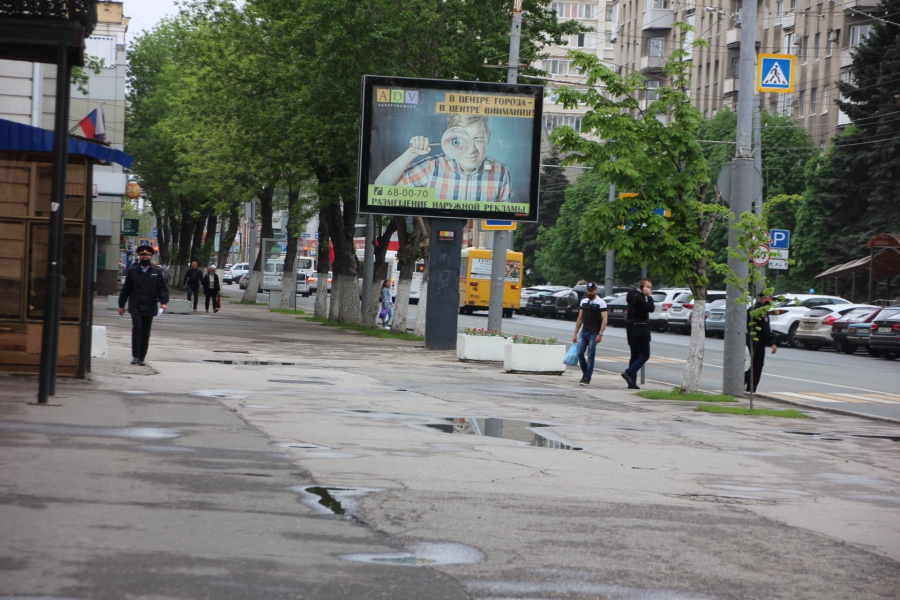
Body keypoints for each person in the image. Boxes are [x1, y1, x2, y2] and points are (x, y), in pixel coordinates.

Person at [375, 114, 512, 202]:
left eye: (478, 139)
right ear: (452, 139)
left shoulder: (500, 171)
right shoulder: (432, 168)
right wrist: (411, 153)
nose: (471, 149)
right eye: (461, 140)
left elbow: (505, 216)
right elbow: (379, 190)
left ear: (488, 137)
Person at [118, 244, 169, 366]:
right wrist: (121, 305)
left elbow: (162, 289)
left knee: (145, 332)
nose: (145, 258)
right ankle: (135, 356)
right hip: (135, 305)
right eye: (143, 256)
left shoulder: (156, 273)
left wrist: (163, 302)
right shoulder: (133, 271)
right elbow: (126, 289)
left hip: (150, 306)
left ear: (151, 257)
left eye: (147, 256)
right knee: (137, 329)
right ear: (139, 257)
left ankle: (141, 358)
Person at [571, 282, 608, 386]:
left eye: (591, 290)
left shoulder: (601, 302)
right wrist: (575, 334)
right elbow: (580, 318)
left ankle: (587, 378)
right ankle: (586, 372)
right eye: (588, 290)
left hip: (594, 333)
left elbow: (605, 319)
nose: (589, 292)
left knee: (591, 356)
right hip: (584, 332)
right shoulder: (584, 302)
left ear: (596, 290)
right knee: (579, 353)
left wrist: (600, 334)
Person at [622, 278, 655, 389]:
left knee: (635, 355)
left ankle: (632, 382)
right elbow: (651, 308)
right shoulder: (640, 297)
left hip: (631, 328)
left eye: (650, 287)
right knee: (645, 354)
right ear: (641, 286)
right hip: (640, 328)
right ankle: (629, 372)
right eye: (648, 287)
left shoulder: (631, 295)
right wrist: (649, 296)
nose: (649, 289)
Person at [746, 292, 778, 392]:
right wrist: (772, 343)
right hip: (758, 340)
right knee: (757, 366)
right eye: (770, 299)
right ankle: (750, 389)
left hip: (751, 339)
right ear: (764, 298)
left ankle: (744, 381)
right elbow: (764, 329)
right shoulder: (762, 311)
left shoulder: (752, 308)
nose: (771, 301)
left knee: (755, 364)